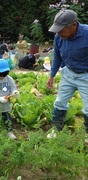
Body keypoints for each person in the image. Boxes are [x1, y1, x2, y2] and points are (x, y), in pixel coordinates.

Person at [46, 10, 88, 142]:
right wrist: (51, 75)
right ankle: (56, 129)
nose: (58, 33)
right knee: (59, 102)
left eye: (61, 30)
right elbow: (57, 57)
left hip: (86, 76)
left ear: (73, 25)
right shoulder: (59, 37)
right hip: (68, 74)